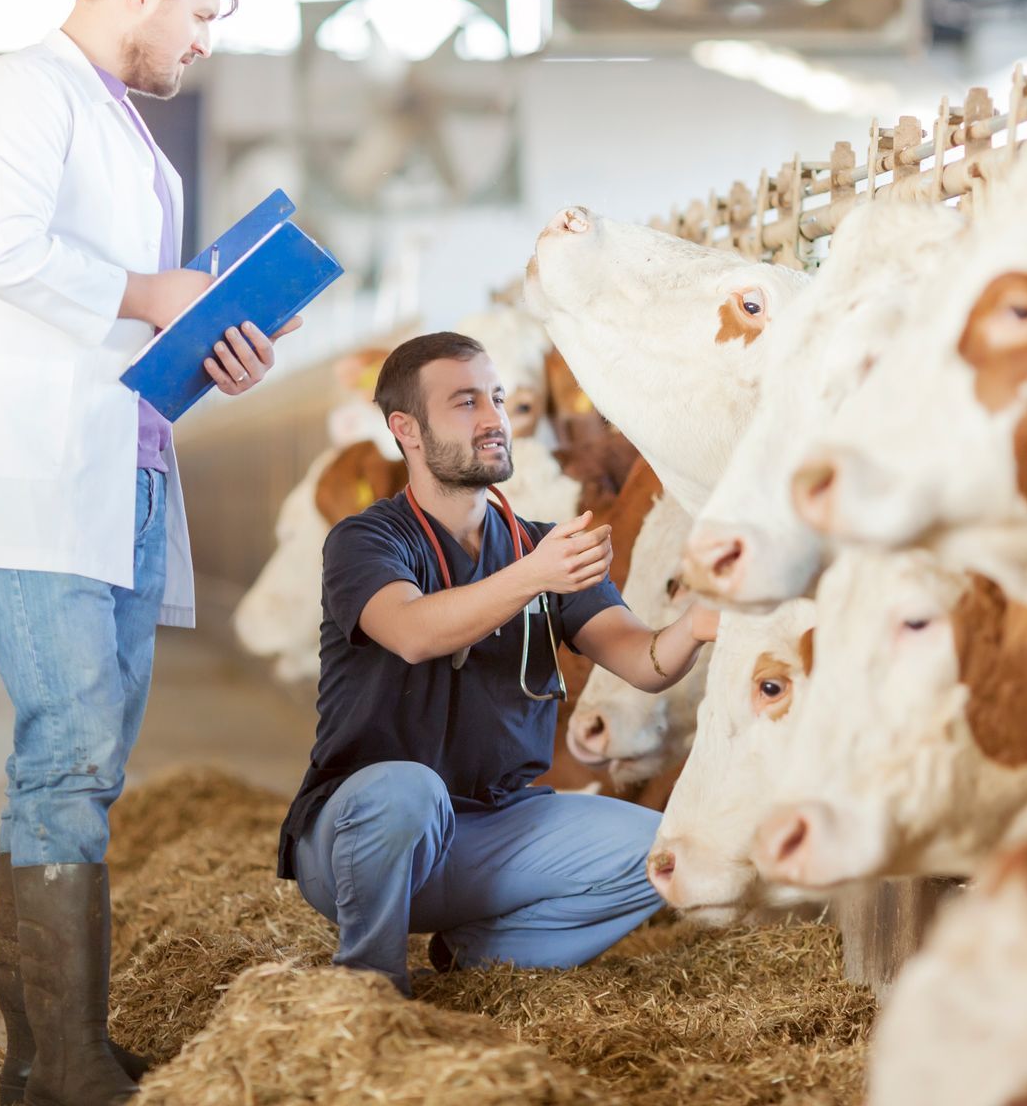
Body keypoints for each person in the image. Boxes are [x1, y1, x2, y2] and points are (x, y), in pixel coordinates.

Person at [0, 0, 296, 1106]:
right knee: (67, 755)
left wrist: (215, 340)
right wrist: (158, 288)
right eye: (201, 15)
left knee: (79, 765)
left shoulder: (120, 123)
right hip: (35, 477)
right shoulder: (19, 92)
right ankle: (61, 1056)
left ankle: (46, 1052)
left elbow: (132, 313)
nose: (204, 44)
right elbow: (2, 252)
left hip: (116, 470)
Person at [277, 331, 716, 995]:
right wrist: (533, 577)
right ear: (408, 430)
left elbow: (645, 660)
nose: (492, 419)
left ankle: (476, 961)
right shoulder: (366, 540)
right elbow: (413, 632)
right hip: (360, 838)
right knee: (407, 790)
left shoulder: (538, 546)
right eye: (464, 402)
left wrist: (702, 622)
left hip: (491, 830)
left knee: (659, 850)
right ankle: (369, 988)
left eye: (497, 398)